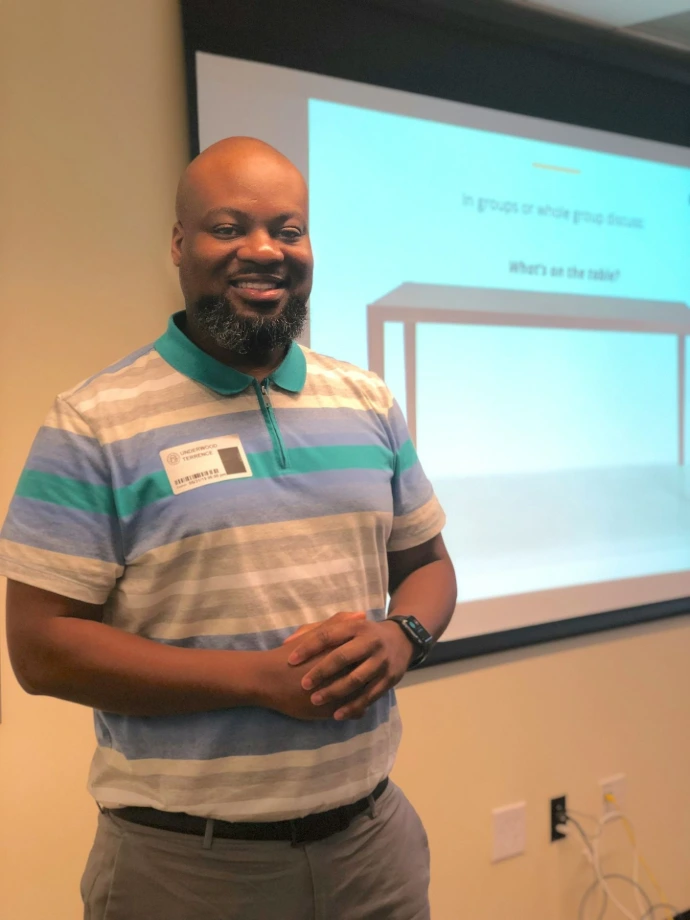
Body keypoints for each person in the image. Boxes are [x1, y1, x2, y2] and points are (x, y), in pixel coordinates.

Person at [1, 137, 457, 920]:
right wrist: (257, 681)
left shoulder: (367, 400)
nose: (263, 251)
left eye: (287, 230)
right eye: (228, 227)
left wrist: (401, 635)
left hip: (372, 848)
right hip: (186, 870)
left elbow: (430, 565)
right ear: (180, 244)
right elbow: (41, 649)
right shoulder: (93, 421)